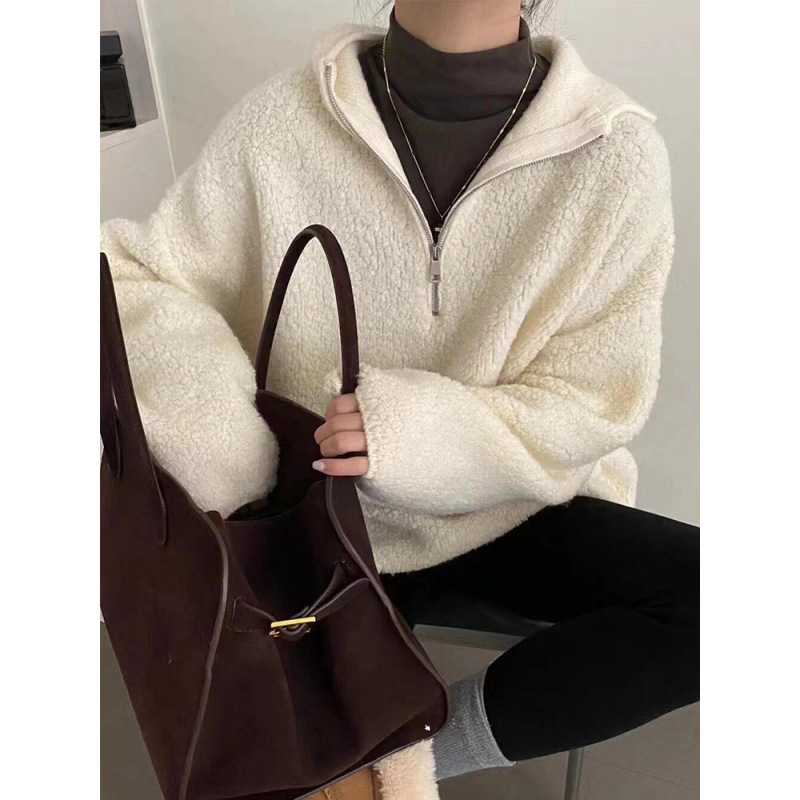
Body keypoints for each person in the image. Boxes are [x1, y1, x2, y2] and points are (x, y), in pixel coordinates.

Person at [100, 1, 699, 798]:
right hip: (314, 523)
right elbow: (137, 276)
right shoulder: (283, 121)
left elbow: (595, 395)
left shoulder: (614, 155)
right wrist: (230, 449)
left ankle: (408, 753)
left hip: (505, 510)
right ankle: (346, 756)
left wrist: (413, 437)